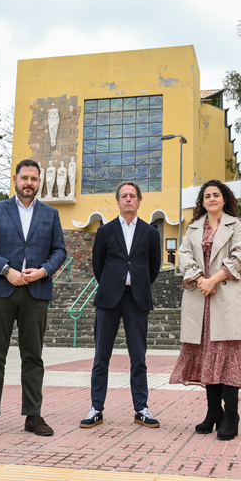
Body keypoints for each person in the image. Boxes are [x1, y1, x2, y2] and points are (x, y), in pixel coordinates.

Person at [0, 159, 67, 439]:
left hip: (36, 293)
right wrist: (6, 270)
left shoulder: (50, 214)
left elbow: (59, 251)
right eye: (24, 178)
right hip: (1, 290)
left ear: (40, 182)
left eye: (34, 179)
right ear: (15, 179)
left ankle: (33, 415)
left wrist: (43, 272)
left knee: (33, 357)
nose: (29, 183)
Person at [169, 179, 241, 441]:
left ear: (224, 198)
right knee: (208, 357)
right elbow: (184, 256)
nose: (212, 199)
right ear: (202, 201)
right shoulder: (193, 227)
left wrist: (213, 280)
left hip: (225, 296)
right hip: (200, 298)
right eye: (207, 196)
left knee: (227, 359)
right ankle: (213, 412)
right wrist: (199, 278)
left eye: (216, 195)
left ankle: (232, 416)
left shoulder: (235, 225)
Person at [80, 181, 162, 429]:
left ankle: (141, 409)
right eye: (124, 196)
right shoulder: (105, 231)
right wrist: (112, 284)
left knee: (138, 356)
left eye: (132, 196)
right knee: (100, 356)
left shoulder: (150, 233)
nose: (128, 199)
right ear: (118, 201)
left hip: (137, 300)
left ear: (139, 201)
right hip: (108, 300)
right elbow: (98, 266)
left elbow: (153, 267)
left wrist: (137, 285)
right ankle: (96, 408)